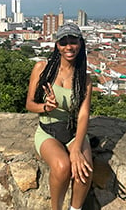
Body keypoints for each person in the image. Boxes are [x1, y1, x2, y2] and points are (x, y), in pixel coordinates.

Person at [26, 23, 93, 210]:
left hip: (72, 131)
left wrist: (77, 148)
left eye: (73, 41)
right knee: (63, 167)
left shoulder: (84, 79)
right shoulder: (42, 68)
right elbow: (29, 104)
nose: (69, 47)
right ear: (57, 45)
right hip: (48, 131)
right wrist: (45, 107)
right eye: (64, 42)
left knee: (84, 169)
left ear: (80, 44)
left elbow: (83, 115)